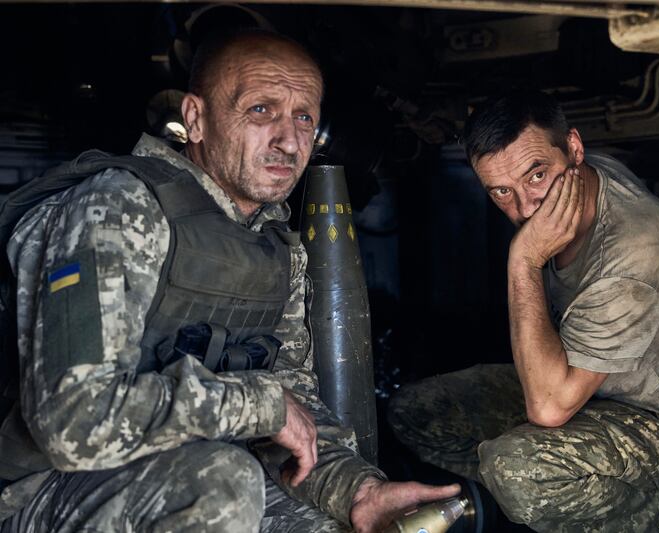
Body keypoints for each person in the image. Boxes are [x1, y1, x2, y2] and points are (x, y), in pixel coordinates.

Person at [0, 28, 458, 533]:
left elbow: (295, 417)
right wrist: (257, 406)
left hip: (191, 474)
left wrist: (359, 492)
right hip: (47, 489)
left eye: (303, 117)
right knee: (223, 482)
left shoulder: (274, 246)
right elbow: (73, 421)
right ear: (196, 119)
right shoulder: (118, 206)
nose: (288, 140)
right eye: (261, 110)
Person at [388, 91, 659, 532]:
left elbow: (549, 410)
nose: (525, 208)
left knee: (516, 469)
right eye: (501, 191)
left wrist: (524, 260)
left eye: (536, 175)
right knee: (416, 411)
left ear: (574, 148)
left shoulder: (634, 252)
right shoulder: (582, 177)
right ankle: (539, 501)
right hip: (589, 390)